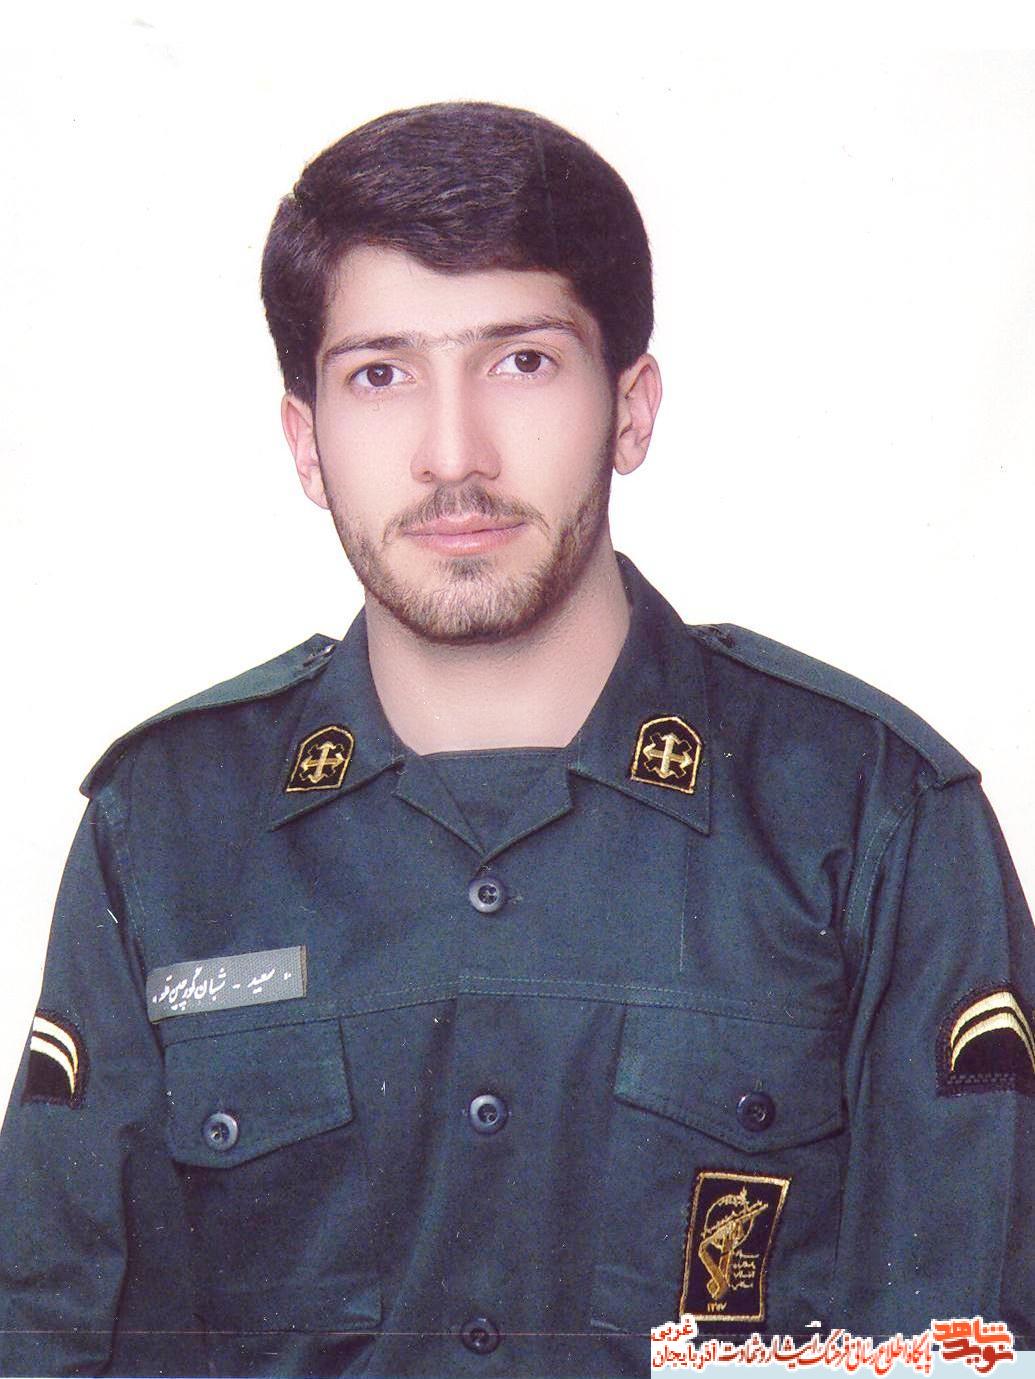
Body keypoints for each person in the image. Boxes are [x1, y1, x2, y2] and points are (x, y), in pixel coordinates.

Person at [0, 101, 1032, 1379]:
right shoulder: (163, 829)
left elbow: (966, 1351)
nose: (454, 454)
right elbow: (49, 1337)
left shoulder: (871, 816)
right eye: (380, 374)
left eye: (523, 361)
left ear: (630, 408)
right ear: (306, 442)